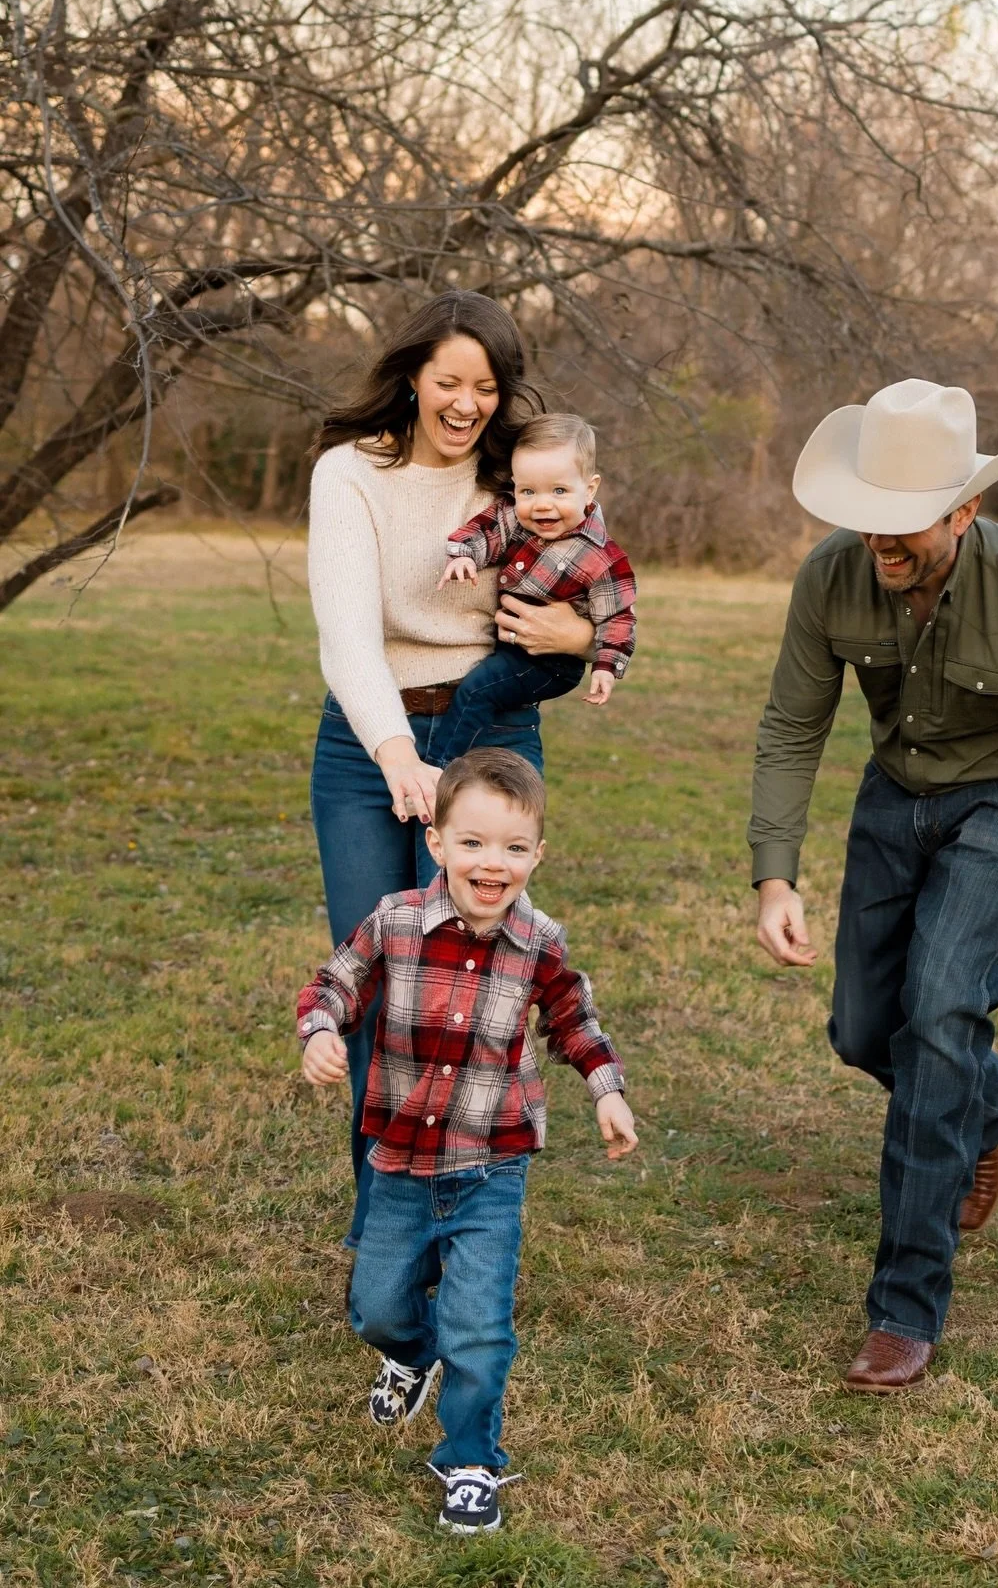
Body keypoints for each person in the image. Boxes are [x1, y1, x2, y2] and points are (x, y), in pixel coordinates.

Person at [749, 379, 998, 1393]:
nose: (879, 538)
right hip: (898, 792)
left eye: (904, 519)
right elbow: (792, 724)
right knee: (860, 1029)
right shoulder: (832, 577)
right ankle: (978, 1099)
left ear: (965, 510)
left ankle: (904, 1307)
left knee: (936, 1016)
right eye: (867, 512)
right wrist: (775, 875)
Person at [308, 291, 597, 1246]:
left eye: (486, 386)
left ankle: (461, 1221)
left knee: (474, 986)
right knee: (377, 980)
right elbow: (348, 637)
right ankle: (384, 1231)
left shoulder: (520, 477)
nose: (467, 404)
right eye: (449, 382)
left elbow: (596, 577)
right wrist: (399, 754)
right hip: (367, 743)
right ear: (412, 378)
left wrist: (580, 636)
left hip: (491, 733)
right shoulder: (349, 473)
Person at [297, 748, 637, 1536]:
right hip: (400, 1163)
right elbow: (337, 980)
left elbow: (574, 1020)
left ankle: (472, 1461)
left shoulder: (539, 942)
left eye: (514, 847)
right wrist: (320, 1029)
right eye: (474, 842)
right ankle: (410, 1352)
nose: (493, 862)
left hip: (491, 1165)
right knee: (377, 1307)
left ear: (537, 855)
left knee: (478, 1325)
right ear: (438, 842)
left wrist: (607, 1088)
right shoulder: (395, 921)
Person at [437, 412, 637, 738]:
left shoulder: (602, 557)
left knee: (477, 691)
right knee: (488, 700)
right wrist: (464, 556)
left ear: (589, 489)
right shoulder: (514, 520)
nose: (542, 505)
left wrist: (606, 667)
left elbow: (619, 618)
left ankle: (439, 764)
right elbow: (484, 531)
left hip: (553, 663)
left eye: (559, 491)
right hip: (508, 648)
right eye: (528, 492)